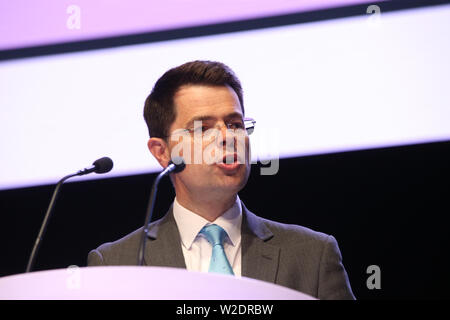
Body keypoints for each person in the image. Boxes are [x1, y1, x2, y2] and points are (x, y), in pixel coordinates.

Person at [87, 60, 355, 300]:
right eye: (203, 128)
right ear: (162, 151)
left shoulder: (313, 254)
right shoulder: (115, 264)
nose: (228, 137)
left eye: (235, 124)